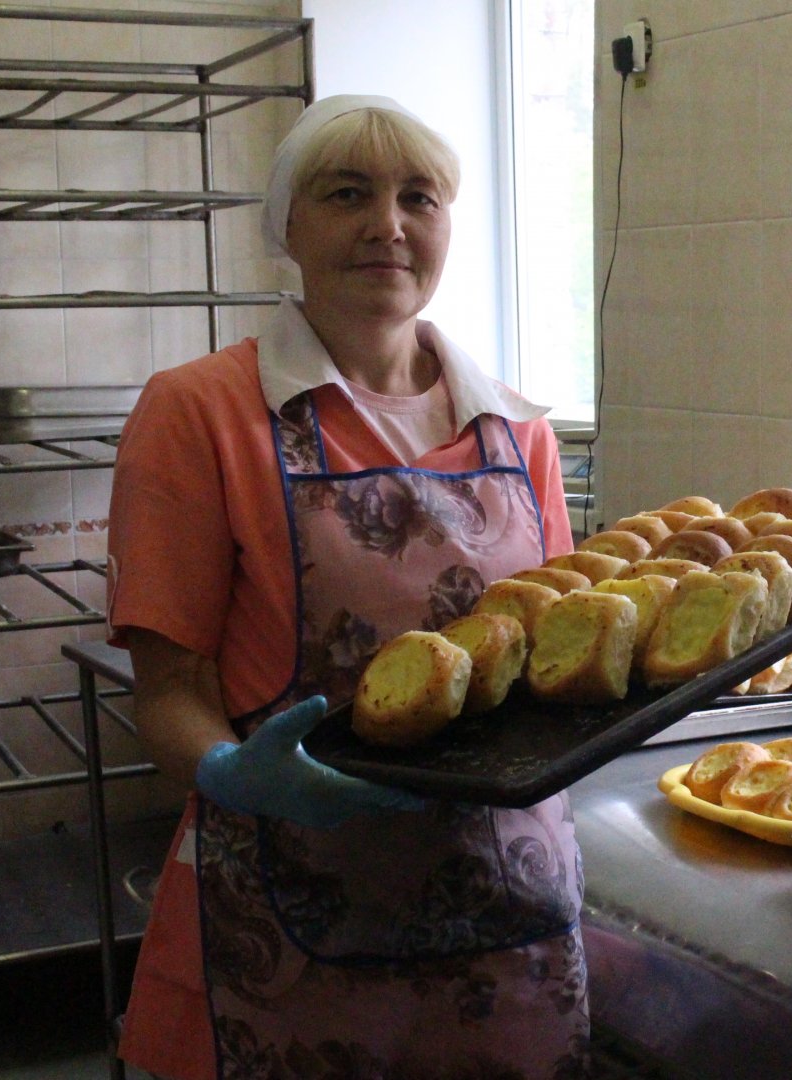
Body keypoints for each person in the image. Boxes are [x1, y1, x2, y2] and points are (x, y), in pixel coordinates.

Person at [106, 95, 586, 1079]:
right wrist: (233, 773)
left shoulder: (517, 431)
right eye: (347, 194)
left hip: (507, 915)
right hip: (291, 922)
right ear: (287, 225)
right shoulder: (199, 413)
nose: (389, 225)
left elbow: (554, 655)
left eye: (420, 197)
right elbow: (167, 692)